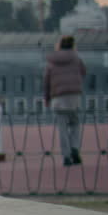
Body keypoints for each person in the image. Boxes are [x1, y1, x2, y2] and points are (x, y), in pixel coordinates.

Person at [44, 35, 86, 166]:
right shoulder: (77, 59)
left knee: (62, 128)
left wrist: (47, 98)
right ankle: (75, 148)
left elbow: (46, 81)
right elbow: (83, 72)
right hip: (74, 96)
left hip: (58, 98)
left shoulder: (52, 61)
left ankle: (66, 156)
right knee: (75, 124)